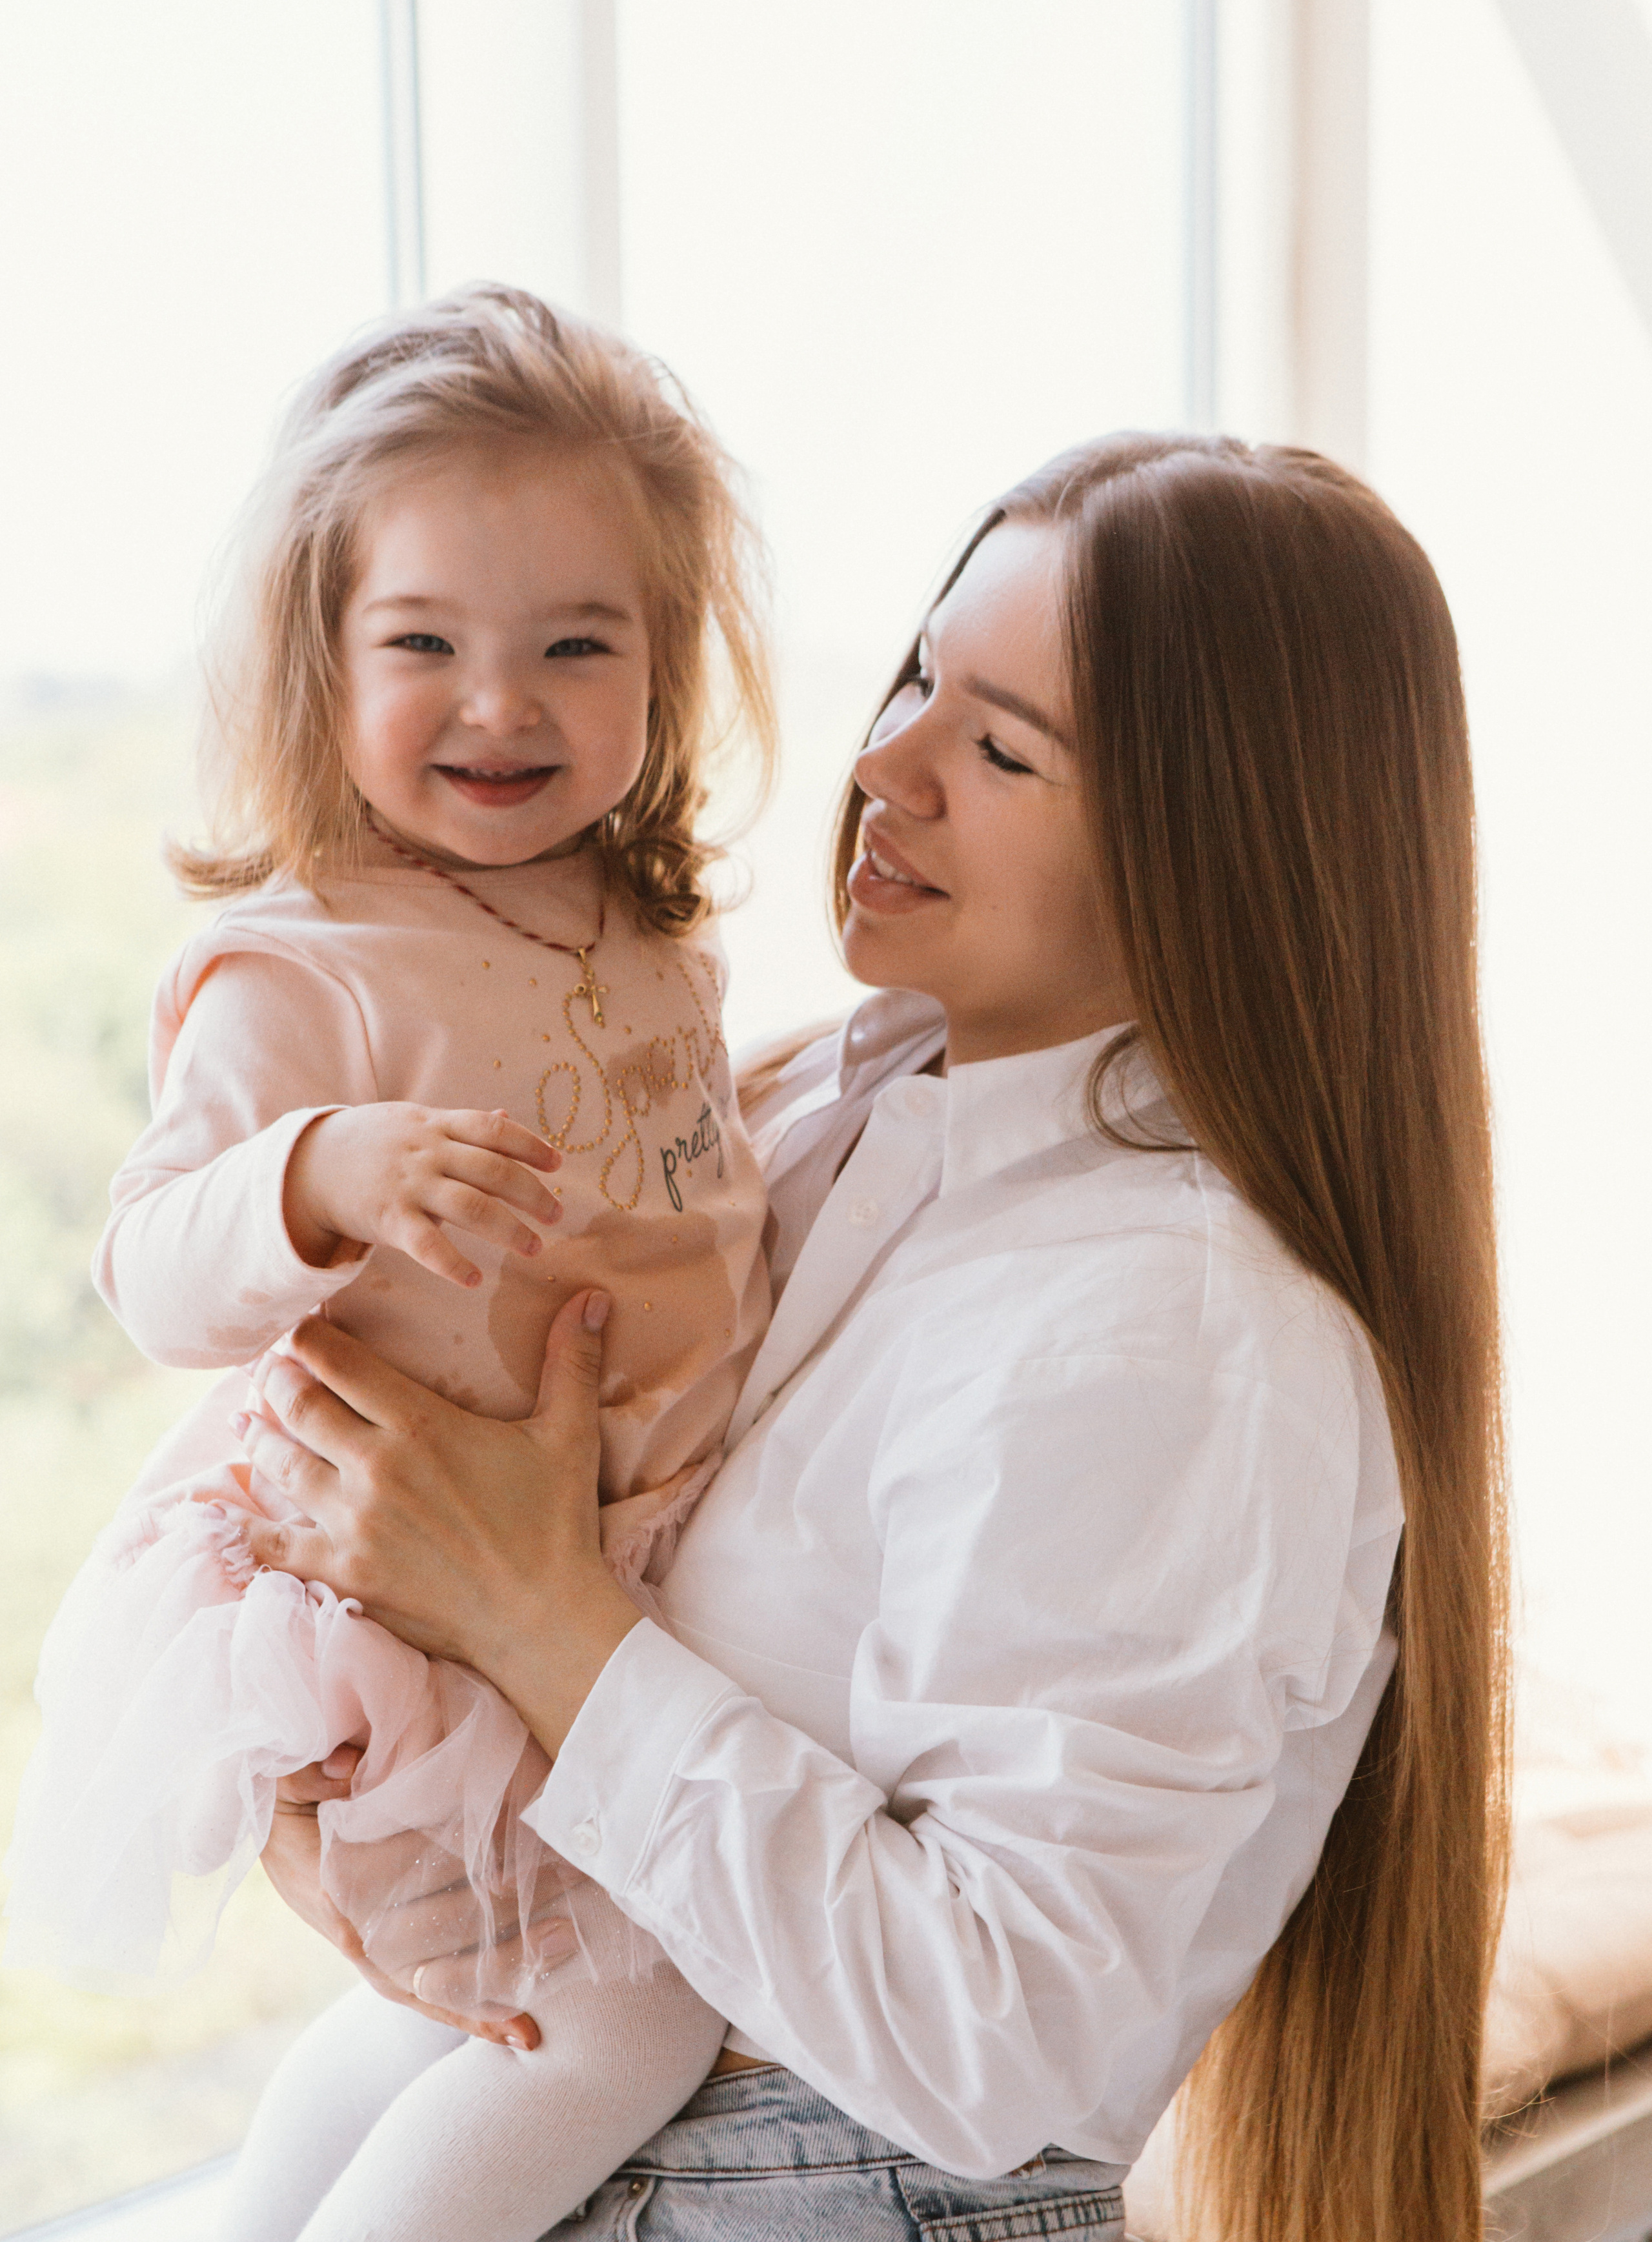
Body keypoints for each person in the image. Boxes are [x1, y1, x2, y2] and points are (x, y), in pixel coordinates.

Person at [237, 434, 1510, 2242]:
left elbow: (996, 2031)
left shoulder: (1188, 1328)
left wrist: (540, 1621)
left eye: (998, 749)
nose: (883, 765)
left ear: (1208, 854)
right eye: (920, 672)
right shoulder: (814, 1112)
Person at [3, 286, 780, 2242]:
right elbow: (154, 1272)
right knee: (615, 2015)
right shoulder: (311, 962)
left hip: (600, 1573)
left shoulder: (642, 925)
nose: (501, 701)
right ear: (318, 659)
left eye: (573, 644)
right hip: (410, 1613)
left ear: (662, 669)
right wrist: (322, 1170)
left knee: (468, 2013)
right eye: (423, 641)